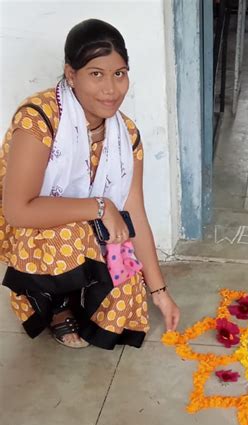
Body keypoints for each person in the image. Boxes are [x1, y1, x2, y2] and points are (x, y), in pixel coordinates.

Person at [0, 19, 180, 349]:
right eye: (96, 74)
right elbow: (17, 211)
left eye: (119, 73)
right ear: (71, 75)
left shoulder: (125, 135)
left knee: (127, 300)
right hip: (34, 228)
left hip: (91, 223)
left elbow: (134, 212)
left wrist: (159, 293)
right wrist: (100, 207)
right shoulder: (39, 117)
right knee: (71, 233)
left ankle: (81, 291)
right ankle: (54, 303)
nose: (111, 89)